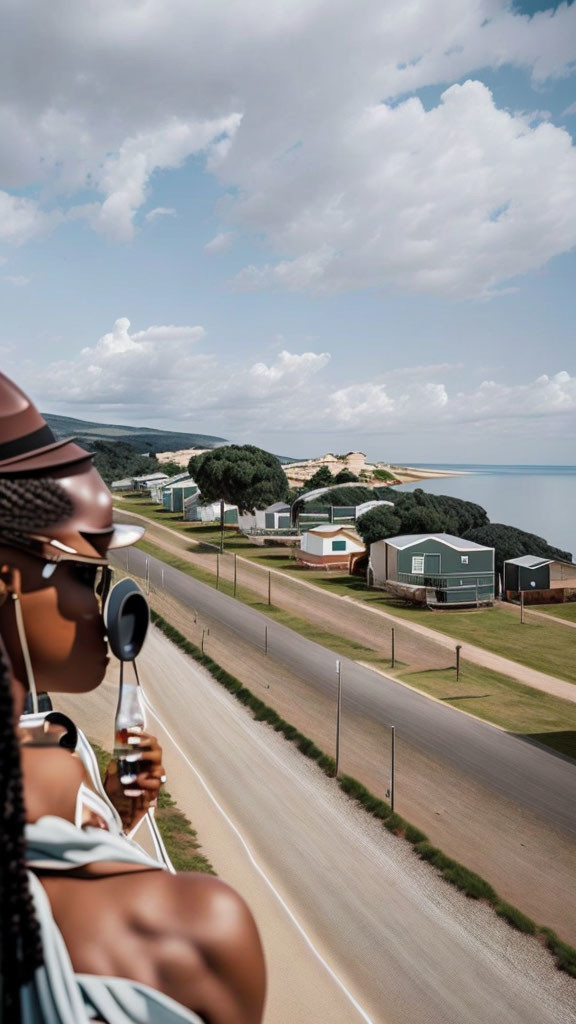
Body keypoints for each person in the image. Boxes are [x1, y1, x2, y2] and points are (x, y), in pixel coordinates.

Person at [0, 372, 266, 1023]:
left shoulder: (53, 758)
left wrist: (112, 813)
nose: (102, 603)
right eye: (90, 572)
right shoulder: (194, 937)